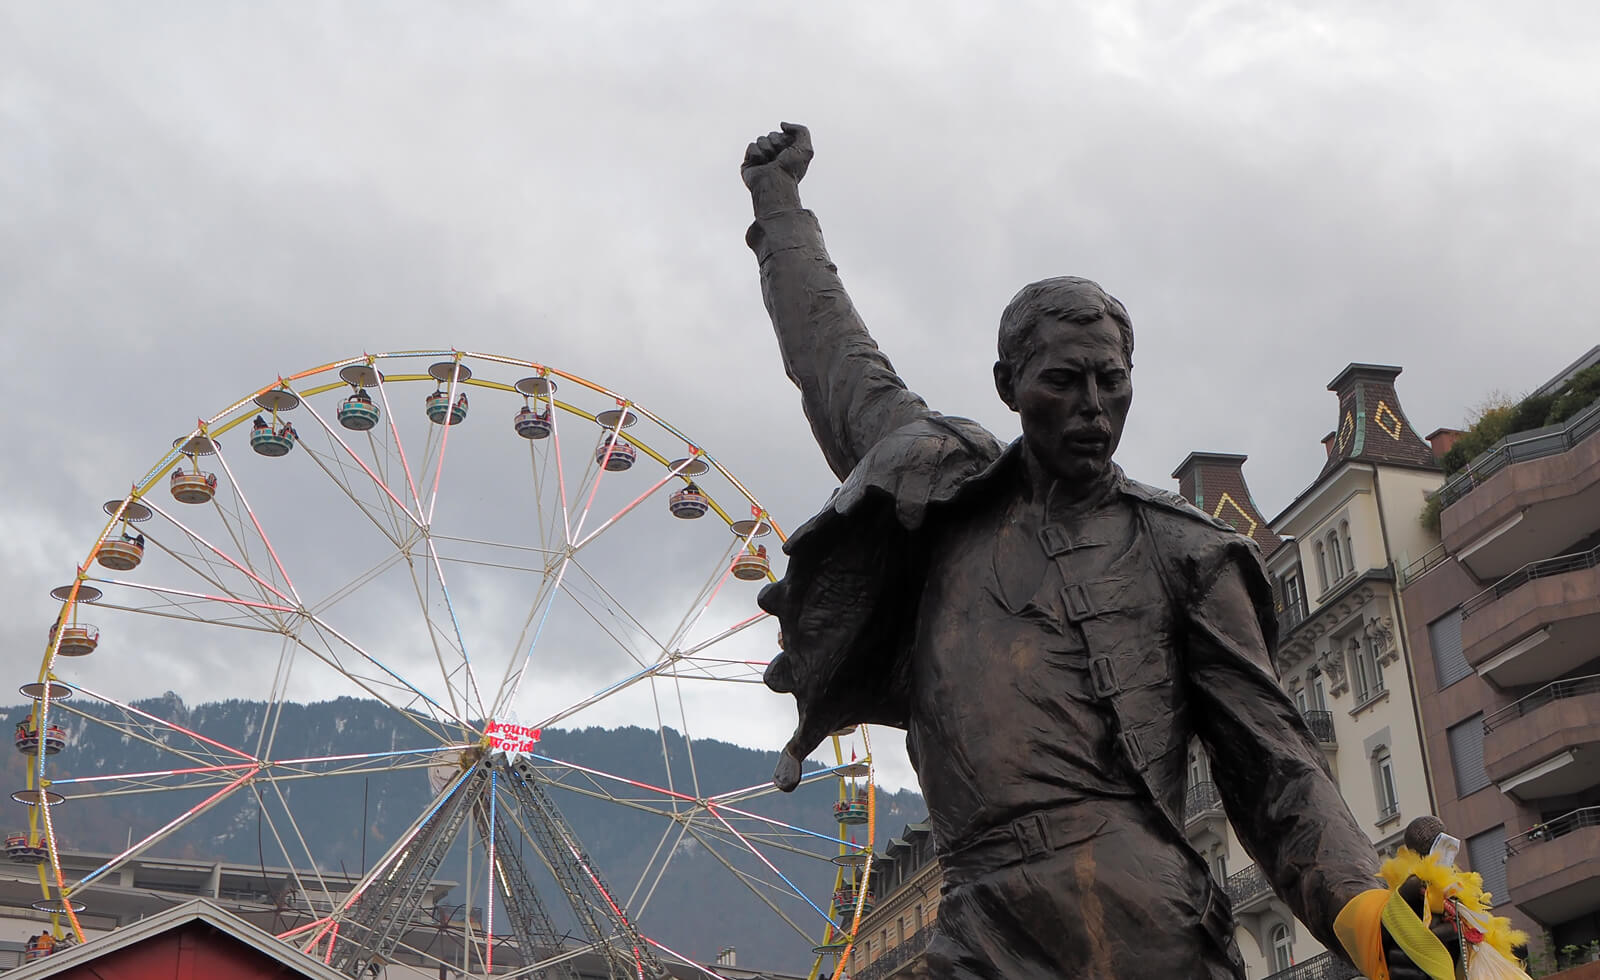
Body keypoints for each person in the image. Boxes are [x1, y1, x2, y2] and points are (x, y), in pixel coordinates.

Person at [741, 122, 1436, 979]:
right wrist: (782, 214)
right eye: (1063, 382)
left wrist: (1363, 911)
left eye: (1112, 379)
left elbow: (1276, 766)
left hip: (1139, 926)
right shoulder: (944, 500)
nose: (1094, 406)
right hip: (977, 915)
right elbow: (837, 364)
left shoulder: (1186, 552)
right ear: (1009, 388)